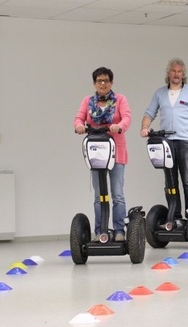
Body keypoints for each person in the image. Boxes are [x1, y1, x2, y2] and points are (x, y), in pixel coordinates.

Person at [140, 58, 188, 223]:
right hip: (166, 143)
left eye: (179, 71)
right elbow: (149, 113)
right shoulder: (160, 93)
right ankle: (175, 217)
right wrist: (144, 127)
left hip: (185, 142)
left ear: (183, 75)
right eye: (173, 71)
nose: (176, 74)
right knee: (170, 181)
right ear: (168, 73)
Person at [74, 67, 131, 242]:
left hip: (116, 152)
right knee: (99, 196)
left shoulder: (120, 100)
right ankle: (100, 231)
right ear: (94, 83)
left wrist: (118, 126)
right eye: (99, 81)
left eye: (106, 80)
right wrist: (79, 126)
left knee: (117, 194)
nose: (103, 84)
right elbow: (79, 118)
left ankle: (120, 230)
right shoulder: (88, 101)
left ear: (111, 82)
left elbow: (127, 118)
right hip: (97, 153)